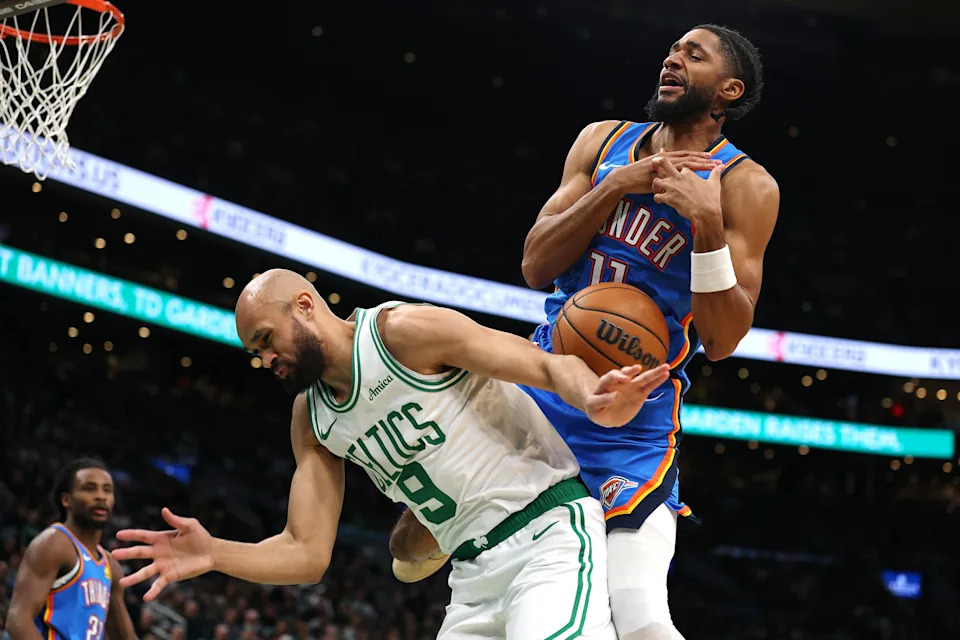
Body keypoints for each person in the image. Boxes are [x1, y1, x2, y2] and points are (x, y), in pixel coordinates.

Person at [112, 269, 670, 640]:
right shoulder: (312, 419)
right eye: (255, 351)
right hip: (471, 575)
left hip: (547, 537)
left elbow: (543, 364)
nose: (264, 359)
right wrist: (214, 554)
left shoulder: (403, 333)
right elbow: (306, 553)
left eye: (265, 339)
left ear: (304, 306)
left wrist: (593, 395)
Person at [514, 23, 780, 640]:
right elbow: (534, 265)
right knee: (493, 585)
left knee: (638, 619)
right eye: (672, 49)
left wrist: (708, 228)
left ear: (728, 90)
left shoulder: (747, 185)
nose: (672, 58)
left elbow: (724, 339)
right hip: (545, 387)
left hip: (636, 414)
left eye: (694, 54)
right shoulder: (603, 141)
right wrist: (614, 187)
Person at [4, 459, 137, 640]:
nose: (101, 496)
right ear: (66, 499)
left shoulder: (111, 566)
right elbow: (18, 621)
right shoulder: (54, 543)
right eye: (89, 489)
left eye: (107, 490)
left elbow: (123, 636)